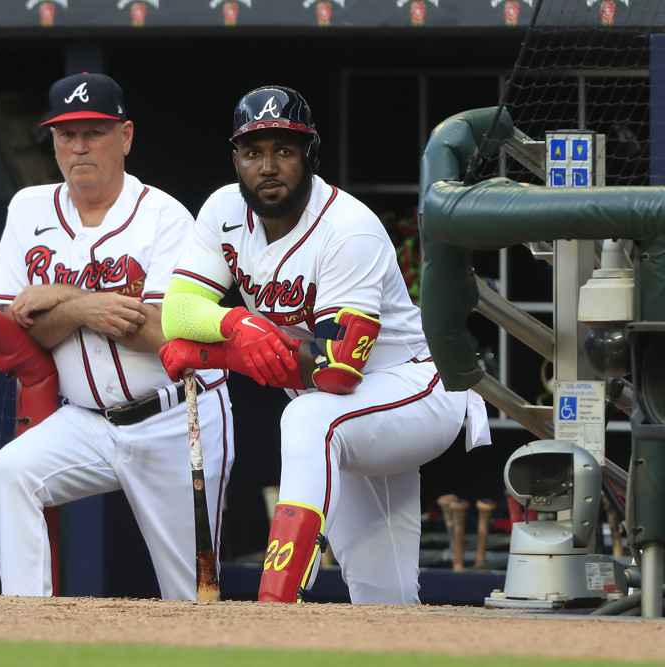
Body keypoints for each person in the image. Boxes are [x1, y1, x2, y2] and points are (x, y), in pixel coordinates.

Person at [158, 86, 490, 605]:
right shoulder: (223, 211)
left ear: (309, 156)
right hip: (349, 417)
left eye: (284, 151)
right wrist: (240, 326)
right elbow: (177, 311)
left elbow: (336, 371)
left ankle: (274, 603)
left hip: (417, 387)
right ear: (236, 159)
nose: (268, 166)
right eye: (253, 152)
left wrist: (211, 353)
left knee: (309, 417)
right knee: (384, 598)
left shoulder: (348, 228)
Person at [0, 72, 234, 600]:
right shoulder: (28, 209)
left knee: (191, 596)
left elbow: (157, 330)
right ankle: (23, 633)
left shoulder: (165, 216)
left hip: (175, 417)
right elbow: (12, 330)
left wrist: (59, 298)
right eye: (65, 134)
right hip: (85, 423)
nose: (78, 147)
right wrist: (85, 306)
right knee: (12, 472)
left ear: (125, 137)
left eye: (94, 132)